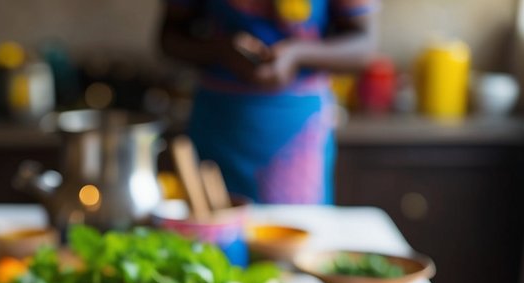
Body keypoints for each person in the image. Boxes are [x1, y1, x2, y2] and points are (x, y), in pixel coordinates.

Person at [158, 0, 378, 205]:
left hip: (296, 131)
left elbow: (364, 45)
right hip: (218, 125)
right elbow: (169, 38)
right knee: (211, 226)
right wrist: (220, 50)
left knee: (296, 233)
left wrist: (297, 54)